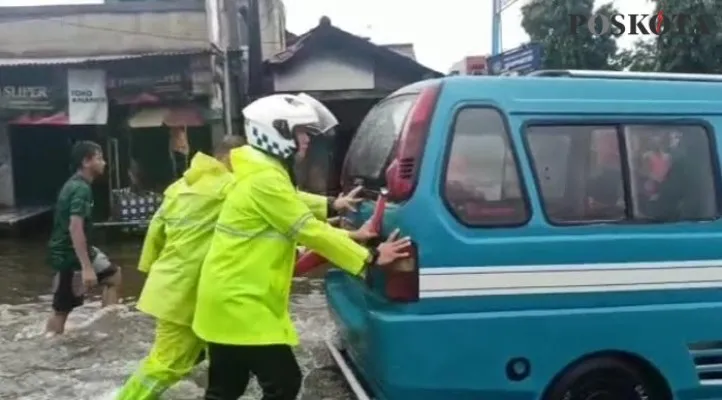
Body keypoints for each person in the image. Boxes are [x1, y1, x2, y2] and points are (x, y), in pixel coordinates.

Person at [192, 94, 411, 400]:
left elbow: (291, 200)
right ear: (275, 131)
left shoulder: (262, 171)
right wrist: (371, 256)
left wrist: (333, 203)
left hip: (229, 299)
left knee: (226, 389)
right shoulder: (264, 180)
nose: (307, 139)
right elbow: (308, 230)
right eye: (300, 132)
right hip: (240, 303)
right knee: (283, 384)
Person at [116, 133, 364, 400]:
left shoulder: (183, 185)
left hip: (176, 286)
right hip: (187, 292)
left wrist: (148, 270)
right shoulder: (229, 184)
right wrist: (331, 205)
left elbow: (156, 231)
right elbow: (281, 199)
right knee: (168, 363)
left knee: (223, 378)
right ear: (229, 159)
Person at [46, 140, 121, 335]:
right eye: (100, 158)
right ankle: (49, 347)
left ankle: (106, 327)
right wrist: (87, 267)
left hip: (80, 250)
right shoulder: (81, 189)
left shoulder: (76, 184)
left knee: (113, 275)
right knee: (61, 309)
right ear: (86, 162)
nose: (104, 162)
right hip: (69, 256)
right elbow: (75, 227)